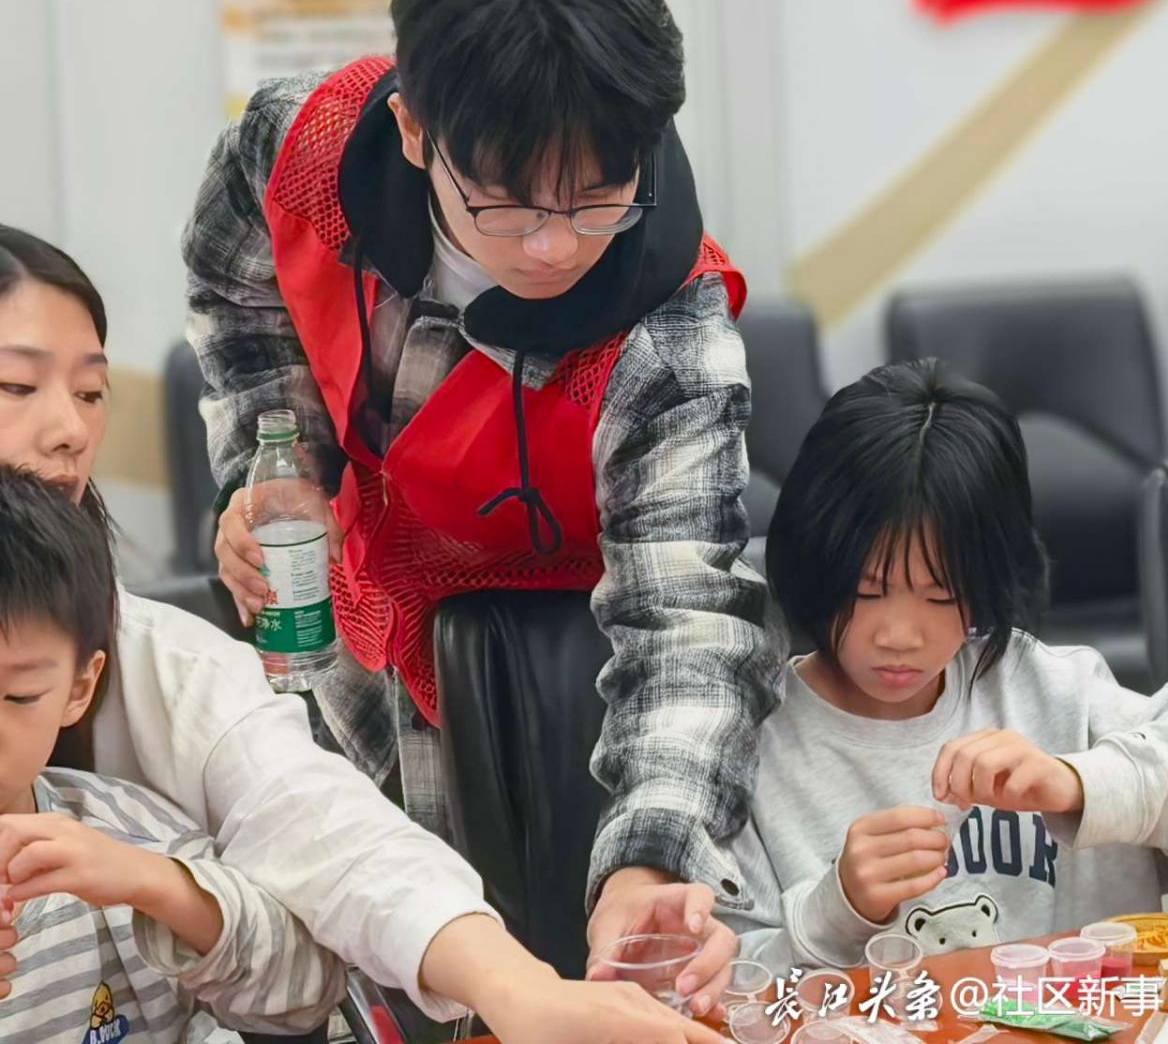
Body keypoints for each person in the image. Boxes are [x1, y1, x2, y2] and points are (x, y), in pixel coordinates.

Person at [181, 0, 781, 992]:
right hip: (353, 628)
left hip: (568, 681)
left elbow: (687, 619)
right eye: (503, 205)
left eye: (596, 199)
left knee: (542, 968)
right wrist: (280, 462)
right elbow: (236, 291)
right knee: (348, 950)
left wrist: (650, 859)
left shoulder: (669, 333)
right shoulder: (301, 149)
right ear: (415, 132)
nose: (551, 246)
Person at [0, 224, 725, 1042]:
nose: (68, 430)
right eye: (16, 385)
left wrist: (520, 992)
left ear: (80, 682)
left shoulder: (156, 682)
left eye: (91, 392)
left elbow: (323, 831)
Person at [716, 361, 1168, 970]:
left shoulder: (1046, 690)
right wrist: (836, 912)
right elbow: (712, 984)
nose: (899, 636)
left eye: (941, 595)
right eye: (867, 590)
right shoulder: (748, 745)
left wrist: (1078, 784)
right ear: (813, 562)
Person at [0, 464, 346, 1042]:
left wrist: (157, 886)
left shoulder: (128, 835)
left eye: (19, 696)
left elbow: (307, 992)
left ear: (79, 688)